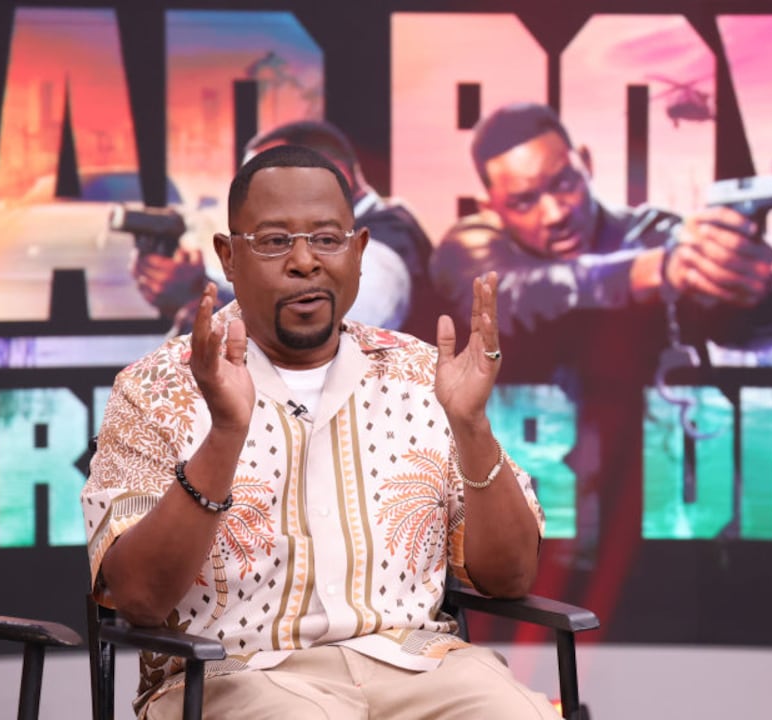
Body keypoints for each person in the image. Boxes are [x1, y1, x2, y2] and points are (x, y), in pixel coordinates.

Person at [83, 144, 556, 718]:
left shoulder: (421, 372)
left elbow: (509, 578)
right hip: (235, 674)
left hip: (420, 666)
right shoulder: (154, 387)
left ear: (358, 251)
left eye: (327, 240)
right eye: (276, 241)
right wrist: (226, 434)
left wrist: (472, 427)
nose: (305, 261)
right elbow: (137, 598)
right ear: (229, 258)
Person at [429, 101, 772, 611]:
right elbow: (515, 296)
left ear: (586, 162)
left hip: (661, 530)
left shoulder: (654, 232)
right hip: (534, 542)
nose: (555, 212)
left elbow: (758, 329)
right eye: (525, 201)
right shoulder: (471, 249)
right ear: (491, 204)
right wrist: (650, 272)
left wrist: (745, 283)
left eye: (563, 183)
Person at [133, 120, 434, 335]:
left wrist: (199, 303)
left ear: (334, 175)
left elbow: (323, 328)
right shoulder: (364, 232)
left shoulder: (384, 254)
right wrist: (200, 286)